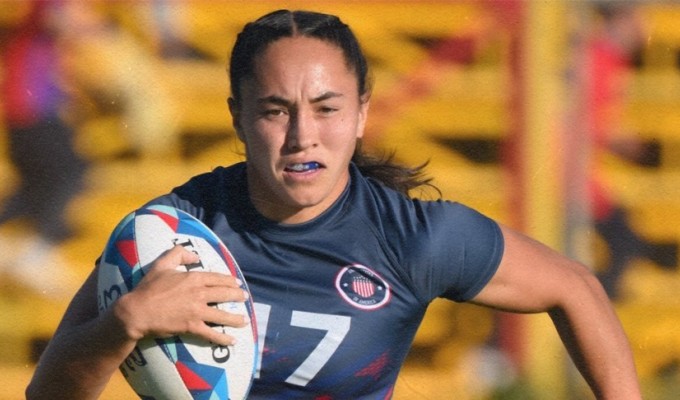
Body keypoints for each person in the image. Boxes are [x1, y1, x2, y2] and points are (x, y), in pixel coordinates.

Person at [26, 9, 642, 399]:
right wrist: (124, 324)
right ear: (238, 117)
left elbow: (576, 288)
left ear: (362, 114)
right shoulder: (171, 231)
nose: (303, 136)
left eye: (327, 109)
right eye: (275, 110)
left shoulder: (411, 238)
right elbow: (47, 393)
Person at [0, 0, 85, 298]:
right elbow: (58, 20)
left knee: (39, 183)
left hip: (31, 110)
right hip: (31, 110)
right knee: (70, 171)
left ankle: (36, 244)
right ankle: (39, 245)